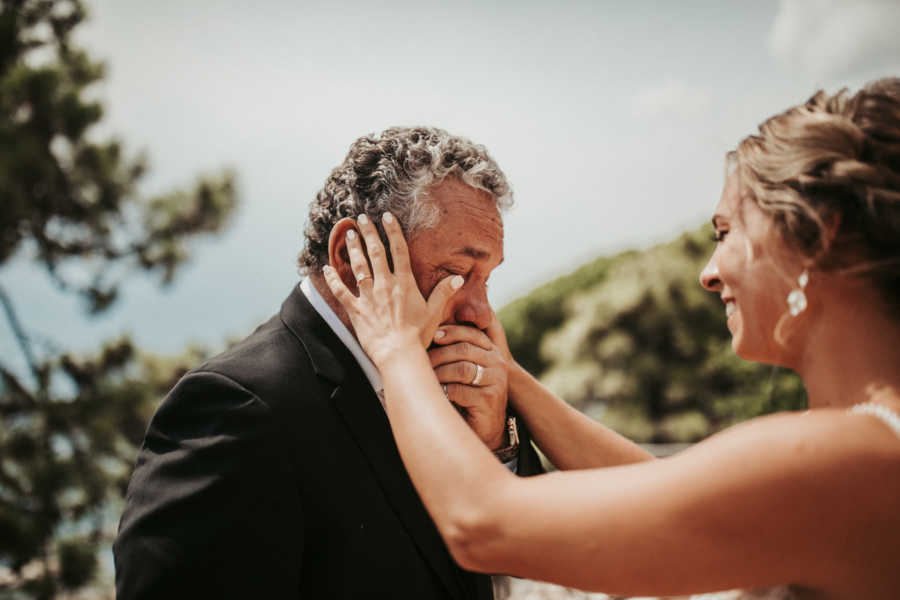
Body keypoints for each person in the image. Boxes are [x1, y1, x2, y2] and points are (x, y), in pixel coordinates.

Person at [323, 78, 900, 599]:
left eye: (727, 233)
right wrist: (512, 375)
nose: (709, 271)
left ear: (818, 240)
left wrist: (397, 349)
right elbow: (657, 488)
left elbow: (483, 524)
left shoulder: (846, 461)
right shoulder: (861, 453)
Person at [113, 126, 543, 599]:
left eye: (487, 280)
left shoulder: (457, 395)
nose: (481, 311)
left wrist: (493, 449)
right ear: (350, 258)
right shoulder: (236, 409)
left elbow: (537, 557)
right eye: (457, 274)